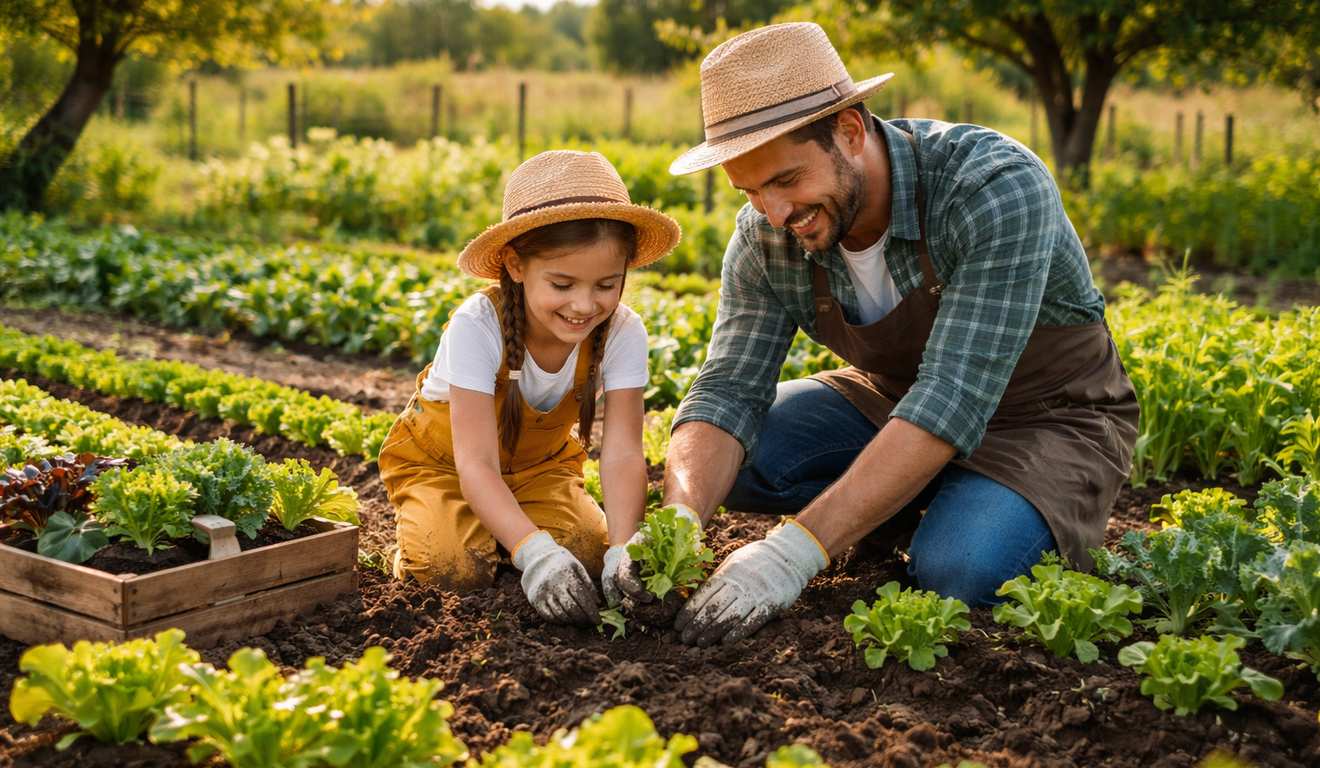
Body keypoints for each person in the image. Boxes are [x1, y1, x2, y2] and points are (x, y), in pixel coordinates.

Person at [609, 22, 1139, 646]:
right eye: (749, 190)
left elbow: (953, 396)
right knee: (746, 460)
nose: (774, 212)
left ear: (851, 132)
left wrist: (793, 553)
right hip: (891, 400)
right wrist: (679, 519)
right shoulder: (767, 234)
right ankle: (915, 494)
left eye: (785, 180)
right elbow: (727, 390)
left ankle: (987, 506)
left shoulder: (992, 187)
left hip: (1043, 417)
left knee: (958, 571)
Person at [379, 150, 681, 625]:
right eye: (562, 284)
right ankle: (449, 537)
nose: (584, 305)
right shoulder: (478, 326)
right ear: (516, 266)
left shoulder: (623, 331)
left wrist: (623, 545)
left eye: (606, 284)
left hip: (540, 470)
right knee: (452, 569)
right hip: (446, 469)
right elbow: (475, 463)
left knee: (591, 555)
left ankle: (507, 533)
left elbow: (622, 450)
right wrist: (535, 553)